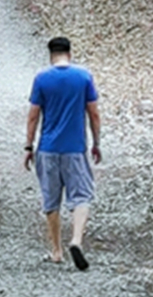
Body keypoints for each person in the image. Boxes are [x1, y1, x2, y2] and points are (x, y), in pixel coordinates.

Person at [23, 34, 101, 269]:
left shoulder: (42, 79)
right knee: (82, 196)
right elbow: (94, 114)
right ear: (70, 53)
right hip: (75, 148)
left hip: (47, 149)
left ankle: (56, 251)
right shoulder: (83, 76)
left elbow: (33, 115)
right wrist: (96, 142)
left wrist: (29, 146)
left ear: (51, 55)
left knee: (51, 200)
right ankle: (76, 240)